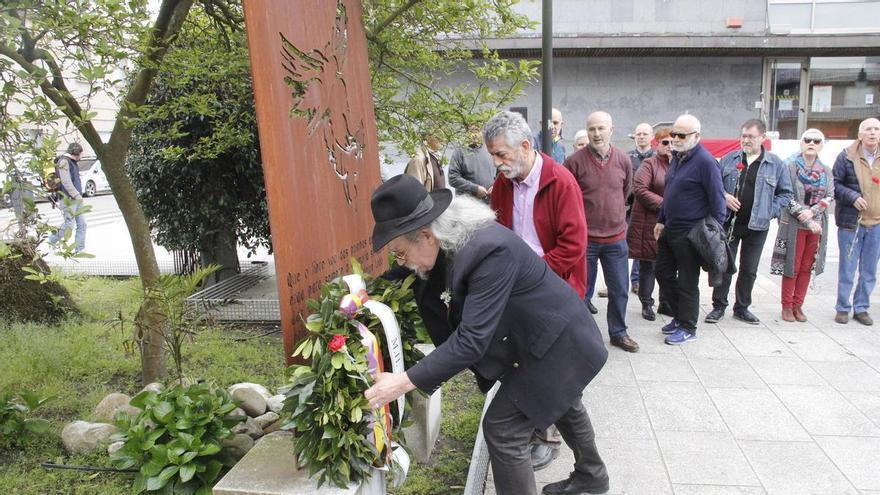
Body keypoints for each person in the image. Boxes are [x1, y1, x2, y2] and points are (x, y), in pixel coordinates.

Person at [366, 174, 610, 495]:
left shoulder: (489, 251)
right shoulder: (449, 238)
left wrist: (402, 383)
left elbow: (472, 339)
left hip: (556, 340)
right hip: (536, 336)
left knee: (503, 429)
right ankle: (592, 475)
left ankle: (590, 475)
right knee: (562, 400)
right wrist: (362, 293)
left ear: (426, 234)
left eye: (400, 252)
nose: (403, 263)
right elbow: (407, 272)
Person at [486, 110, 588, 471]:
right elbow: (496, 231)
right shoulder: (503, 183)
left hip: (553, 290)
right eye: (493, 156)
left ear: (526, 146)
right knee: (534, 366)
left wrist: (533, 276)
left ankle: (549, 438)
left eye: (502, 154)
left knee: (552, 369)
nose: (497, 163)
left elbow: (573, 246)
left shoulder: (560, 182)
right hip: (518, 290)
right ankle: (584, 464)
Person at [705, 119, 792, 325]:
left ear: (762, 138)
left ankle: (742, 307)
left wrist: (769, 210)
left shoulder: (775, 164)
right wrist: (724, 196)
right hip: (730, 223)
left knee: (749, 268)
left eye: (751, 136)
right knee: (724, 264)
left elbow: (786, 194)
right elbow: (713, 186)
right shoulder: (728, 159)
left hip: (757, 226)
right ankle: (718, 306)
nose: (746, 140)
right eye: (743, 136)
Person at [564, 111, 638, 353]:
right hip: (585, 241)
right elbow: (567, 197)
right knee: (582, 292)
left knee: (619, 290)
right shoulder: (574, 162)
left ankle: (618, 333)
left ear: (611, 129)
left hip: (616, 239)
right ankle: (581, 336)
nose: (596, 133)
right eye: (592, 129)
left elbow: (626, 191)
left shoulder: (623, 160)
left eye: (601, 128)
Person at [654, 114, 726, 345]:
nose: (675, 138)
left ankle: (688, 326)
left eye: (681, 135)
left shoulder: (706, 162)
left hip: (692, 232)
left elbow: (718, 201)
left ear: (697, 136)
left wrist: (712, 233)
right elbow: (670, 192)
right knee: (663, 274)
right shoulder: (677, 157)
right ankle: (679, 315)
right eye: (673, 134)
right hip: (670, 228)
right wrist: (661, 219)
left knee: (687, 281)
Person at [770, 129, 834, 322]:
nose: (811, 143)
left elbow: (830, 195)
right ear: (801, 143)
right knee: (792, 266)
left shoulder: (826, 170)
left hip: (817, 225)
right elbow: (785, 194)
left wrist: (813, 213)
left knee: (807, 266)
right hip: (793, 224)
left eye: (816, 140)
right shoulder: (789, 167)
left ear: (821, 145)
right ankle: (787, 306)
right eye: (808, 140)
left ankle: (799, 305)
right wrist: (804, 216)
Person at [832, 117, 880, 326]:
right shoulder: (846, 157)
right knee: (848, 268)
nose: (873, 133)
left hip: (876, 223)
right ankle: (843, 307)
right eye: (868, 129)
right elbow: (834, 184)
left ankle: (861, 307)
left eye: (877, 129)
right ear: (860, 135)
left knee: (869, 269)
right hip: (852, 222)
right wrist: (852, 197)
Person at [627, 128, 672, 321]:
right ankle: (647, 303)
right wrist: (666, 205)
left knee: (669, 265)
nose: (670, 146)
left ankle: (666, 302)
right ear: (657, 144)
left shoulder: (680, 164)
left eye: (673, 142)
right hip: (650, 224)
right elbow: (639, 189)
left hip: (673, 224)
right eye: (665, 142)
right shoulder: (649, 164)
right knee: (649, 266)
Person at [626, 123, 655, 294]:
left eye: (645, 133)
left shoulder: (658, 158)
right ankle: (618, 280)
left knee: (643, 247)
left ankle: (636, 280)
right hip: (630, 208)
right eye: (638, 134)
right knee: (622, 246)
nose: (641, 136)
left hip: (650, 210)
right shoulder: (627, 157)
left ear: (652, 136)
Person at [47, 142, 87, 253]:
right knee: (69, 224)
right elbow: (66, 181)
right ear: (76, 153)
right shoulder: (64, 161)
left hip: (75, 198)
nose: (81, 156)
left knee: (82, 224)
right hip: (68, 199)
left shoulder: (72, 162)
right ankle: (51, 240)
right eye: (81, 154)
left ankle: (79, 249)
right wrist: (77, 194)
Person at [448, 125, 495, 202]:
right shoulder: (459, 152)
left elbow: (501, 173)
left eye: (477, 130)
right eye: (471, 131)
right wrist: (474, 188)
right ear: (466, 132)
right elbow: (453, 178)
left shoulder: (491, 149)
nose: (474, 134)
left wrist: (495, 186)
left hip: (490, 203)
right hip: (468, 205)